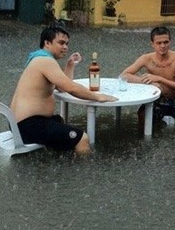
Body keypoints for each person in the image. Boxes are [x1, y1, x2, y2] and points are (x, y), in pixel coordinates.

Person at [10, 23, 117, 155]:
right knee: (82, 138)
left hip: (19, 124)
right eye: (61, 43)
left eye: (67, 43)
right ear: (47, 43)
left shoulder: (38, 58)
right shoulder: (45, 61)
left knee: (60, 121)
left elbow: (61, 87)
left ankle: (56, 165)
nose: (65, 47)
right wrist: (98, 96)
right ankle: (84, 173)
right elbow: (71, 88)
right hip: (28, 126)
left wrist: (70, 64)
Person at [121, 26, 175, 132]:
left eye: (166, 42)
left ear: (170, 42)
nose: (163, 46)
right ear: (152, 44)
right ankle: (145, 142)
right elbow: (124, 75)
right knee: (142, 115)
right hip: (156, 100)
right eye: (159, 43)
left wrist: (159, 79)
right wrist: (147, 82)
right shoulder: (146, 58)